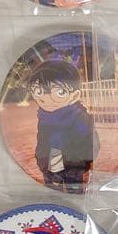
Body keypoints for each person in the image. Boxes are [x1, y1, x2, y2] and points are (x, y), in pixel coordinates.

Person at [27, 60, 96, 192]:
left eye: (60, 92)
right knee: (53, 193)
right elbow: (42, 141)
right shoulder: (44, 117)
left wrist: (79, 164)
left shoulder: (79, 118)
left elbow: (89, 142)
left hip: (73, 167)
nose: (46, 99)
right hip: (50, 166)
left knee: (75, 191)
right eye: (39, 91)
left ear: (75, 96)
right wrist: (42, 162)